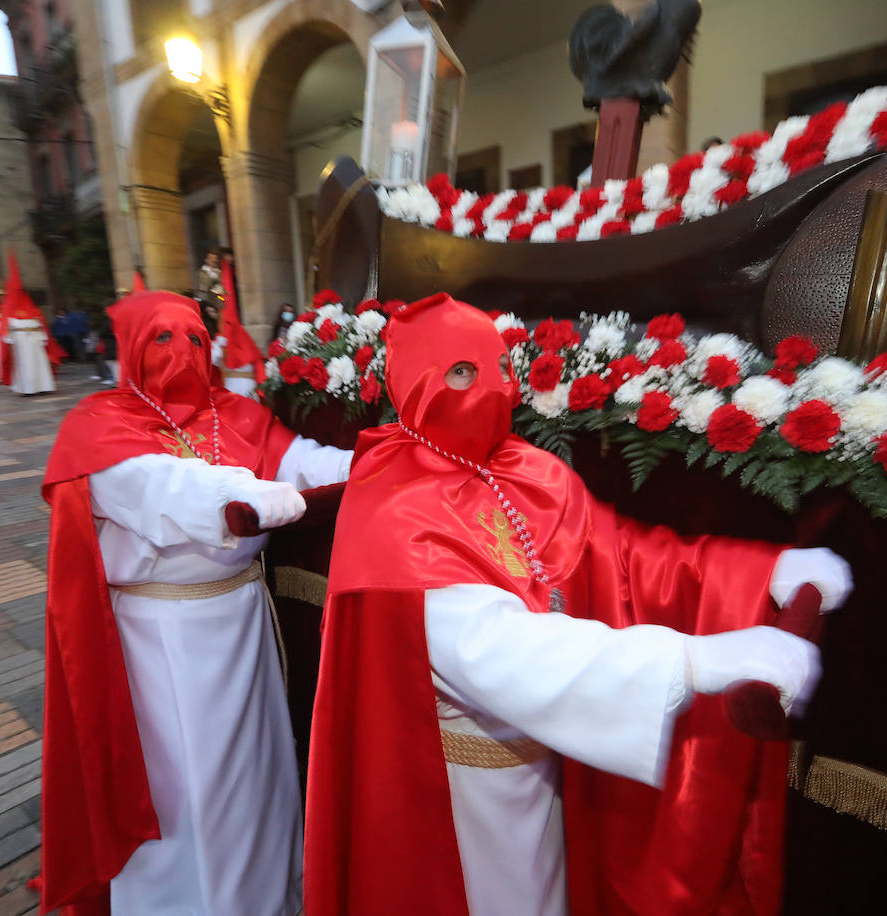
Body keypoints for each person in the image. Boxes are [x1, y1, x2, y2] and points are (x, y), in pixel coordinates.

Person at [306, 293, 852, 916]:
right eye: (461, 371)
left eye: (498, 366)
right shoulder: (392, 508)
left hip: (546, 768)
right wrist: (698, 661)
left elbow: (627, 556)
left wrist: (763, 572)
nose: (493, 388)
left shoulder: (525, 470)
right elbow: (506, 652)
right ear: (416, 384)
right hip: (456, 795)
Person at [37, 289, 353, 916]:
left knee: (257, 774)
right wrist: (243, 493)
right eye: (162, 337)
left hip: (244, 619)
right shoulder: (100, 425)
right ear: (132, 347)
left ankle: (269, 897)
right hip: (161, 638)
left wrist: (382, 462)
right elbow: (162, 486)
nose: (182, 351)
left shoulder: (237, 413)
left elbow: (306, 463)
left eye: (195, 339)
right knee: (184, 788)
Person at [0, 255, 56, 396]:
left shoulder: (34, 311)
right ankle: (27, 388)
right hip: (21, 342)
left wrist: (42, 338)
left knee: (39, 363)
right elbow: (7, 329)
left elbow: (40, 326)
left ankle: (43, 386)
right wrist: (9, 340)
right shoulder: (9, 313)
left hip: (34, 340)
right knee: (25, 364)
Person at [211, 261, 266, 399]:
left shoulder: (235, 338)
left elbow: (256, 364)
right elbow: (213, 360)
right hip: (232, 388)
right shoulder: (220, 341)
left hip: (242, 388)